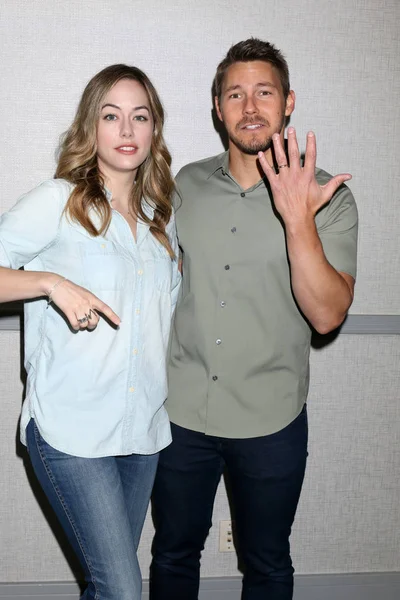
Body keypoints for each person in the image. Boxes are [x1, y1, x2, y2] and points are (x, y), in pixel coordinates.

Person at [150, 38, 358, 600]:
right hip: (180, 413)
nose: (249, 107)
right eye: (234, 94)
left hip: (272, 420)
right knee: (171, 554)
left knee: (267, 564)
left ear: (288, 102)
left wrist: (298, 221)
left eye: (264, 92)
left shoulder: (327, 197)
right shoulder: (180, 187)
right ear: (217, 107)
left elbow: (326, 315)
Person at [0, 64, 180, 599]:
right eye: (111, 115)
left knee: (108, 587)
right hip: (70, 432)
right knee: (122, 589)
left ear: (153, 130)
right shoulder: (58, 201)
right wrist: (52, 283)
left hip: (140, 432)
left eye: (139, 117)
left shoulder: (158, 220)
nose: (127, 130)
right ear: (91, 127)